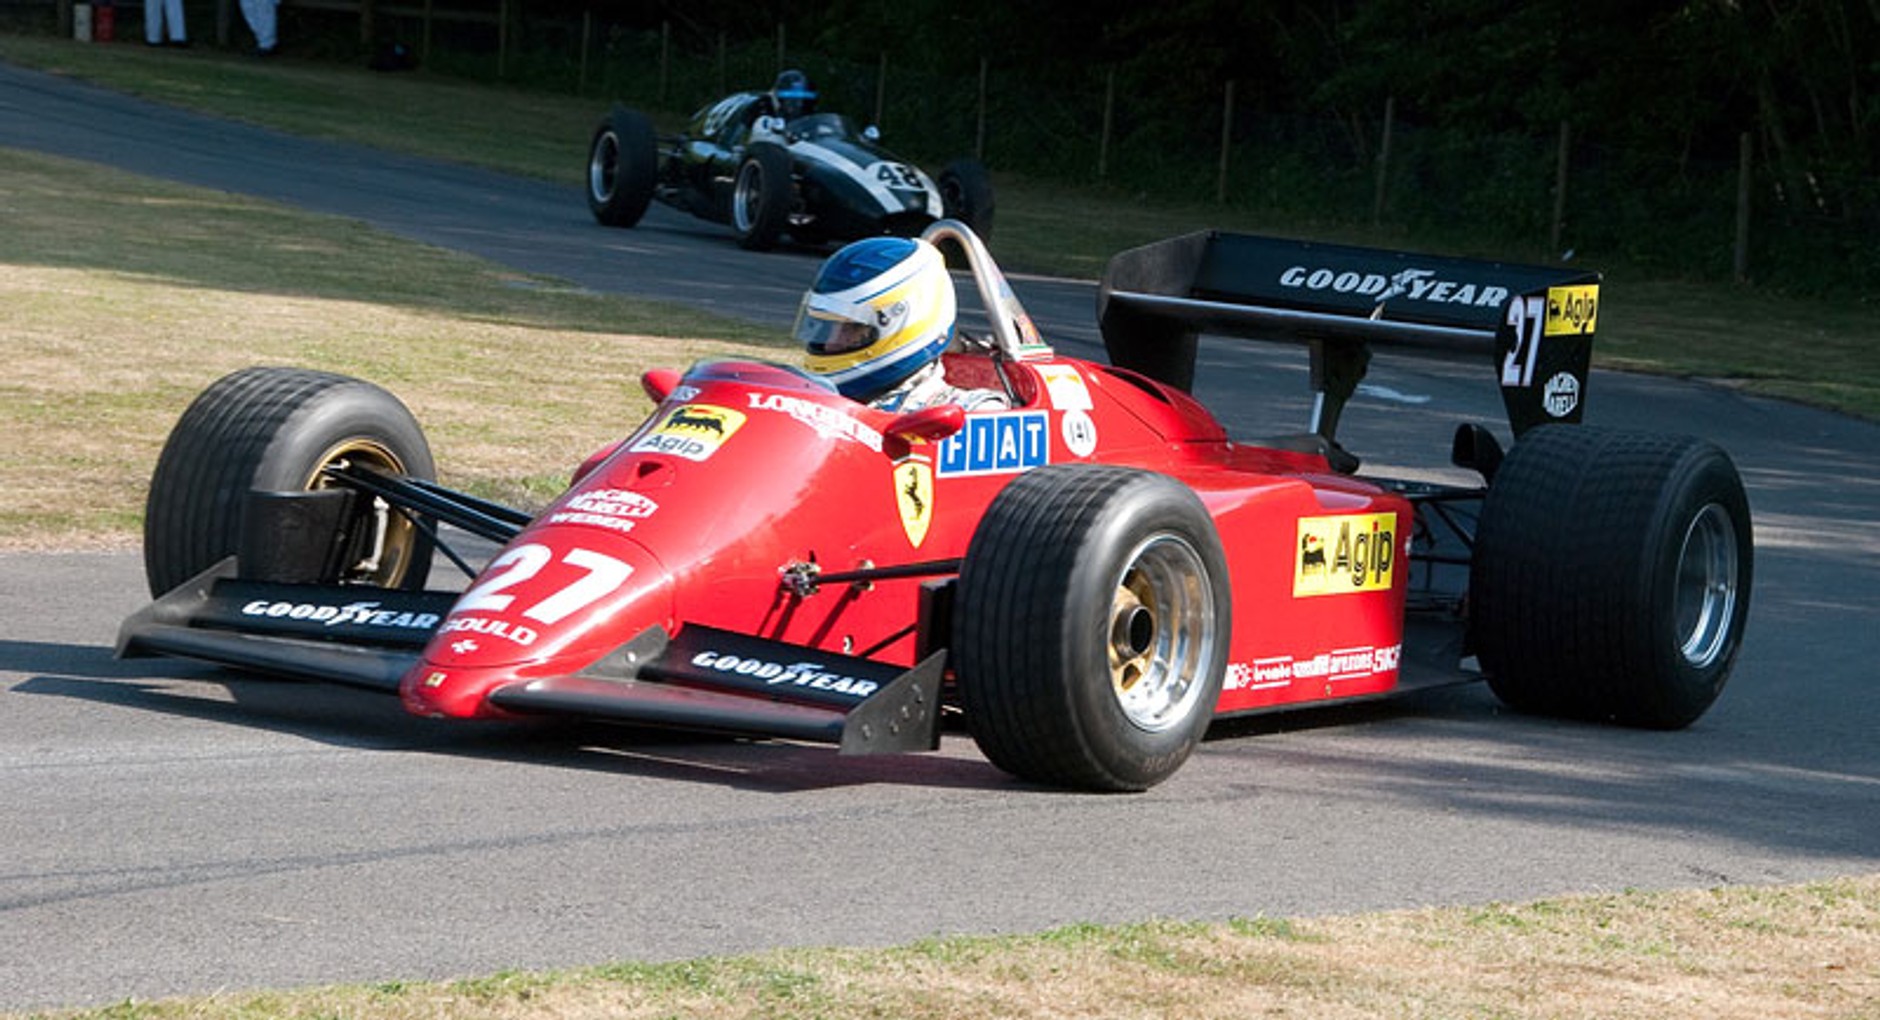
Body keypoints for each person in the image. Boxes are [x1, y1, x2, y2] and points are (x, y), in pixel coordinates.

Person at [797, 237, 1010, 412]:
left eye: (852, 329)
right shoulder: (804, 400)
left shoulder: (971, 414)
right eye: (826, 326)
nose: (830, 343)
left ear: (903, 327)